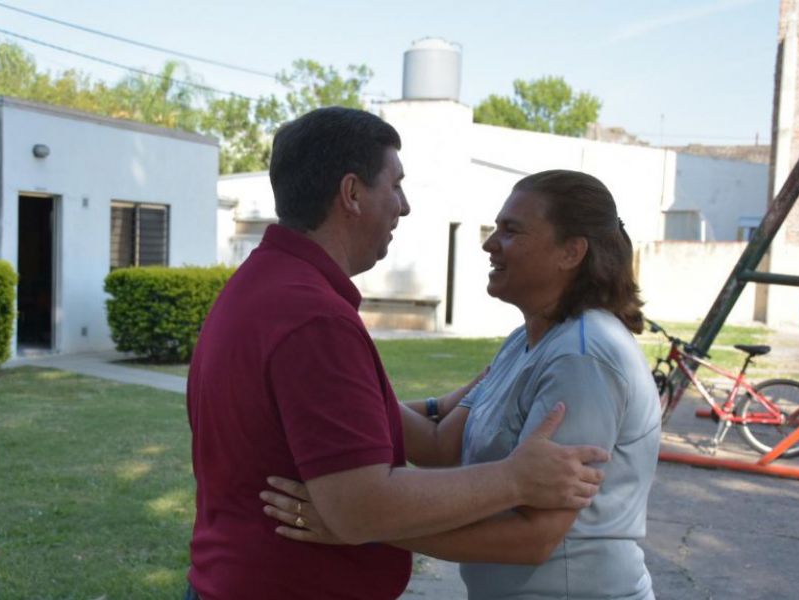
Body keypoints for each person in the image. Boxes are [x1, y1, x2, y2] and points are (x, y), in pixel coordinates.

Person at [185, 109, 611, 600]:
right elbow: (361, 506)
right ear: (351, 194)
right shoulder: (314, 319)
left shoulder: (264, 285)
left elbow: (376, 438)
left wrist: (481, 385)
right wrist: (513, 480)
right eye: (395, 185)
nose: (404, 207)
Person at [264, 169, 661, 599]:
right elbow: (439, 443)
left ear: (571, 252)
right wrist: (332, 401)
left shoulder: (582, 358)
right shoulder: (525, 342)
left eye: (511, 231)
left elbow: (536, 536)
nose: (490, 244)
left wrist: (361, 525)